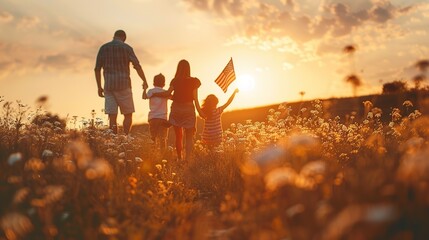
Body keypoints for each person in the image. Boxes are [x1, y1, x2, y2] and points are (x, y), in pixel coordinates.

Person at [94, 29, 148, 135]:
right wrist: (144, 80)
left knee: (112, 116)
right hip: (124, 85)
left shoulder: (104, 48)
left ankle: (114, 139)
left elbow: (97, 69)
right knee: (128, 115)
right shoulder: (127, 48)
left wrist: (99, 87)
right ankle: (125, 137)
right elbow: (137, 66)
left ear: (114, 36)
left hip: (109, 86)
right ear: (124, 38)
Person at [152, 59, 204, 161]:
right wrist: (200, 112)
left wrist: (155, 94)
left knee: (178, 136)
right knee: (189, 137)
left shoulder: (175, 81)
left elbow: (167, 93)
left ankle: (180, 158)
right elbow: (196, 99)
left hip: (176, 109)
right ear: (188, 68)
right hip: (189, 109)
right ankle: (187, 160)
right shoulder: (194, 81)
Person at [143, 73, 171, 154]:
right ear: (164, 83)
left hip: (153, 118)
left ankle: (152, 154)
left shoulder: (151, 91)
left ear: (153, 82)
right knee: (163, 139)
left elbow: (144, 97)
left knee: (153, 138)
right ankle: (163, 155)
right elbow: (172, 97)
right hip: (163, 118)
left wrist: (144, 89)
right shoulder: (165, 92)